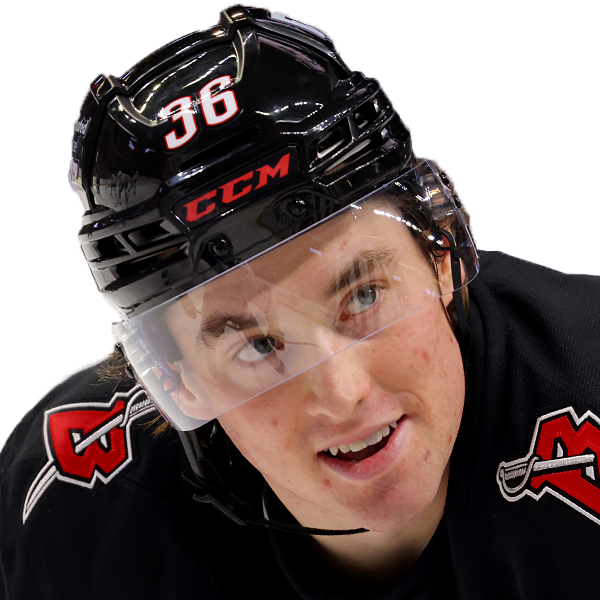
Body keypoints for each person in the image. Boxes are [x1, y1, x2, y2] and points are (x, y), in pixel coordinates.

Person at [1, 5, 599, 599]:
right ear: (172, 381)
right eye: (258, 345)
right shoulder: (76, 511)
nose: (343, 393)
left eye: (364, 295)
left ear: (442, 255)